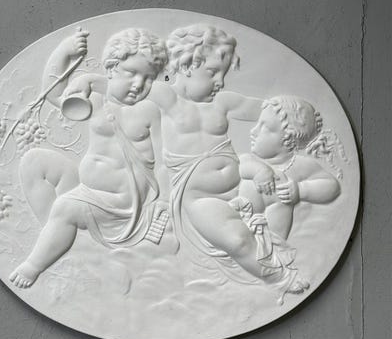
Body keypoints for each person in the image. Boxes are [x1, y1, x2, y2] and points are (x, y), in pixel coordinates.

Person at [144, 24, 309, 298]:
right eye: (212, 72)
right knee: (238, 240)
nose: (220, 81)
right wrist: (87, 82)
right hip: (200, 198)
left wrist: (297, 118)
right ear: (186, 66)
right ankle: (280, 277)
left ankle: (274, 249)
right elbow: (123, 88)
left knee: (282, 194)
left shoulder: (222, 102)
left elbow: (267, 109)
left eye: (224, 73)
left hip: (239, 182)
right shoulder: (167, 98)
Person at [9, 28, 169, 288]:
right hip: (88, 190)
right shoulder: (95, 100)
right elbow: (54, 93)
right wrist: (64, 52)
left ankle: (34, 264)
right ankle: (58, 237)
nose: (139, 84)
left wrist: (165, 201)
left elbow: (164, 160)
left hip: (124, 204)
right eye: (131, 73)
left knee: (64, 208)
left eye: (148, 78)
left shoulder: (150, 110)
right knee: (33, 162)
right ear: (112, 68)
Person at [237, 95, 343, 241]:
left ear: (288, 138)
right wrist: (257, 172)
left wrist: (301, 190)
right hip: (240, 223)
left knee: (281, 191)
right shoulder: (251, 160)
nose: (253, 131)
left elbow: (332, 186)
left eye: (265, 127)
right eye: (257, 124)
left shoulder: (301, 165)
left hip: (271, 232)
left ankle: (273, 245)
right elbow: (237, 167)